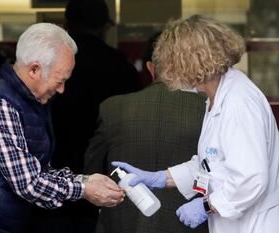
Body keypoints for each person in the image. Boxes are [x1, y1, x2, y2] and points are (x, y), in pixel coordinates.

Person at [0, 23, 125, 233]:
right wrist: (84, 189)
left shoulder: (28, 100)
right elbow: (29, 183)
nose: (62, 89)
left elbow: (36, 170)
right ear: (34, 69)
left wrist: (84, 180)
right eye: (60, 81)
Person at [113, 15, 279, 233]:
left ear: (189, 62)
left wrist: (206, 206)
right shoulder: (217, 97)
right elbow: (212, 164)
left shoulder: (238, 103)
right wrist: (161, 178)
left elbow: (251, 179)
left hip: (262, 224)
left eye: (171, 62)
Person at [83, 32, 208, 233]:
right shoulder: (207, 108)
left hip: (121, 225)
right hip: (189, 224)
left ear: (150, 68)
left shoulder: (111, 108)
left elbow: (91, 172)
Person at [34, 0, 142, 232]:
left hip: (50, 174)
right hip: (106, 179)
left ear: (65, 25)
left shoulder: (46, 67)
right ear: (104, 27)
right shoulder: (119, 66)